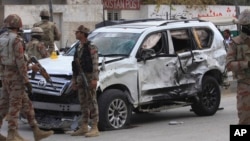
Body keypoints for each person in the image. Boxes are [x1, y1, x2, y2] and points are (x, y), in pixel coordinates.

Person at [0, 14, 53, 141]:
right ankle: (12, 134)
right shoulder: (16, 40)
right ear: (18, 26)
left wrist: (3, 75)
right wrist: (26, 79)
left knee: (23, 105)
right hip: (17, 78)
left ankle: (36, 130)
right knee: (15, 106)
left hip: (6, 75)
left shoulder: (2, 38)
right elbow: (20, 62)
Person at [70, 25, 99, 137]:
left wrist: (95, 79)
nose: (76, 34)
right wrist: (74, 80)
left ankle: (95, 127)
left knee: (92, 101)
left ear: (82, 34)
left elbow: (95, 63)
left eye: (77, 32)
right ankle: (84, 126)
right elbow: (75, 65)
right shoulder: (78, 47)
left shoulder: (91, 46)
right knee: (83, 103)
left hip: (89, 77)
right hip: (80, 78)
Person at [226, 9, 250, 124]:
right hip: (245, 85)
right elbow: (229, 65)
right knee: (245, 119)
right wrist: (246, 64)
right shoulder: (235, 43)